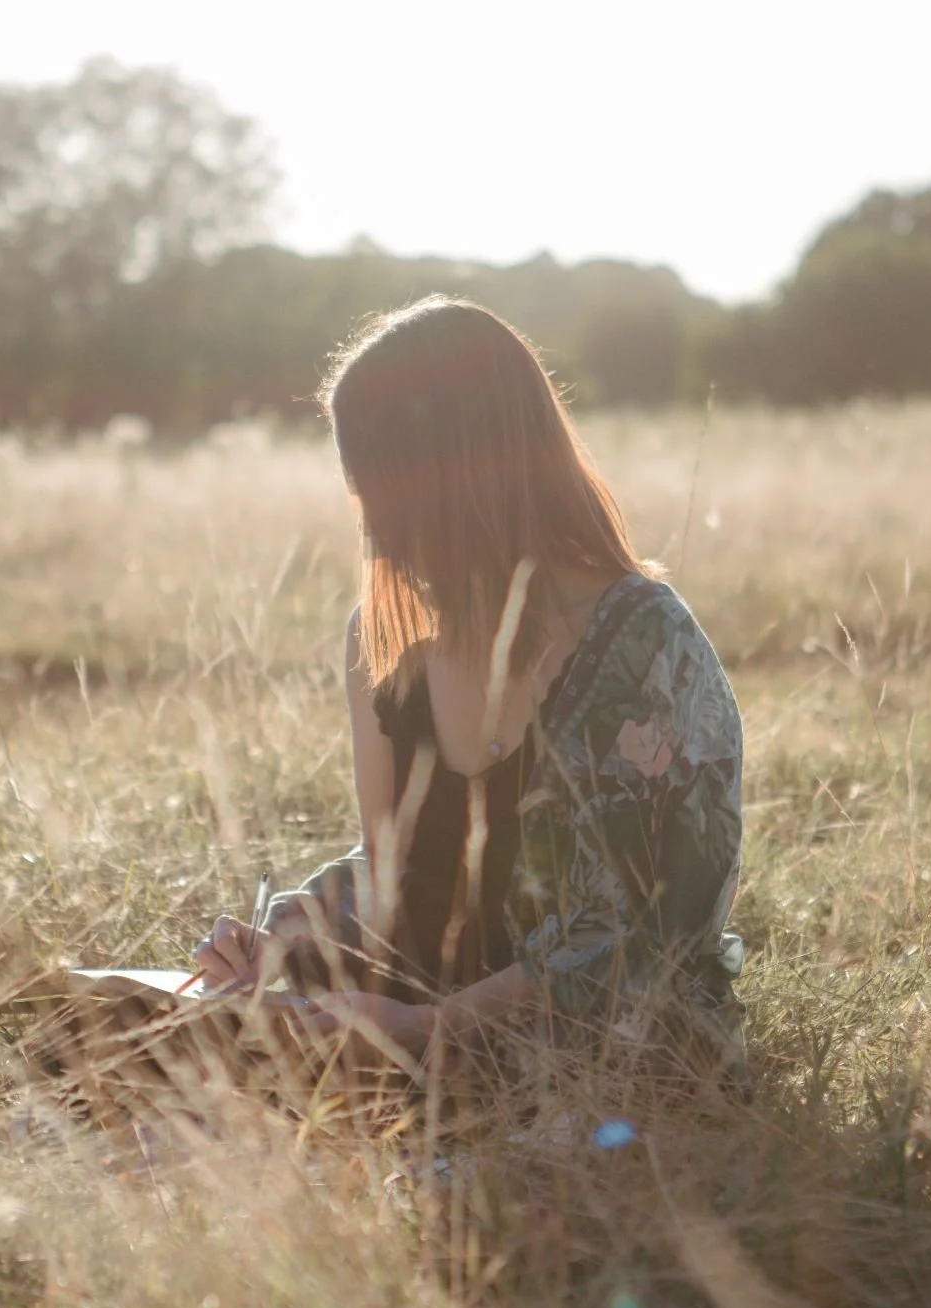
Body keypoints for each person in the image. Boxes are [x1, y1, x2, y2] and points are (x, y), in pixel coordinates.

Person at [192, 297, 745, 1068]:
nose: (369, 518)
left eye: (378, 484)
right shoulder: (383, 637)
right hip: (414, 1032)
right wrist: (282, 937)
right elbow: (391, 869)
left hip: (608, 1061)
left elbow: (640, 938)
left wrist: (430, 1028)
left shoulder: (646, 644)